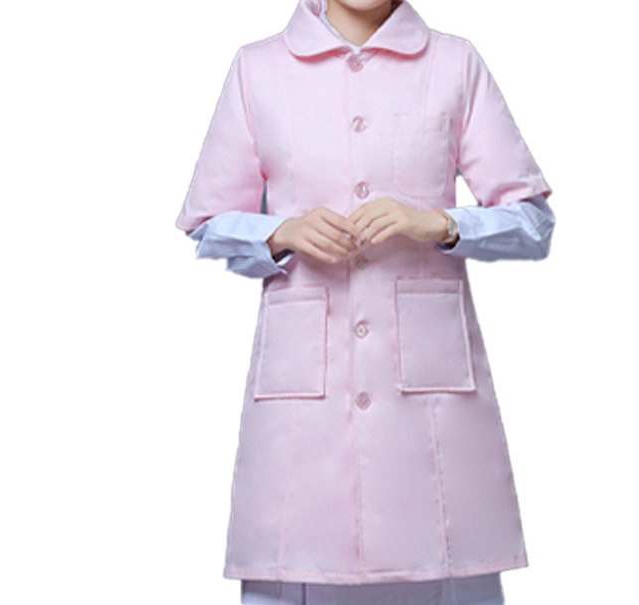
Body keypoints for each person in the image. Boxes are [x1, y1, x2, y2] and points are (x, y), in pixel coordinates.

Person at [176, 1, 555, 603]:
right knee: (297, 563)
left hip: (431, 405)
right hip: (304, 400)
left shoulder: (453, 64)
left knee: (447, 564)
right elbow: (207, 222)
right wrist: (281, 232)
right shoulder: (258, 69)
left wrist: (439, 223)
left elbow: (532, 223)